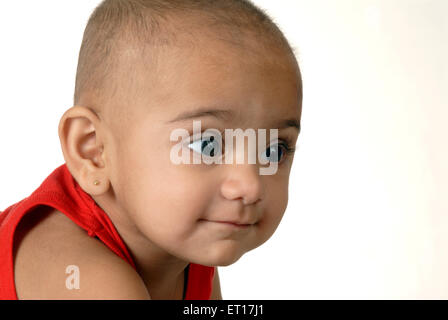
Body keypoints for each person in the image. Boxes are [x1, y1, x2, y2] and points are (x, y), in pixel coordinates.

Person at [0, 0, 302, 300]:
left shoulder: (184, 241)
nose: (249, 185)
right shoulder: (81, 276)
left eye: (274, 150)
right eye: (206, 145)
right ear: (93, 151)